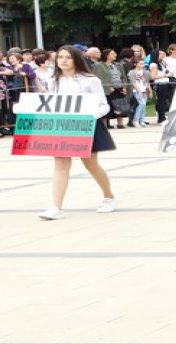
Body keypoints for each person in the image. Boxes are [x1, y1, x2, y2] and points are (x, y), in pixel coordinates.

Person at [38, 45, 117, 220]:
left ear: (76, 59)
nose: (63, 61)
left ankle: (108, 196)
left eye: (68, 57)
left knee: (90, 164)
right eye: (60, 57)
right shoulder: (53, 81)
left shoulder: (90, 80)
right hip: (62, 125)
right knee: (60, 164)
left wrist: (92, 115)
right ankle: (56, 207)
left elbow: (104, 105)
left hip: (87, 125)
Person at [127, 57, 150, 128]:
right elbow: (133, 82)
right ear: (135, 64)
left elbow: (147, 82)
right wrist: (138, 90)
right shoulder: (132, 72)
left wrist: (149, 90)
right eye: (141, 64)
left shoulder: (145, 72)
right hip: (136, 91)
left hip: (144, 90)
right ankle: (135, 120)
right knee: (141, 104)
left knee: (144, 105)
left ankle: (142, 120)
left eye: (143, 64)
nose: (143, 65)